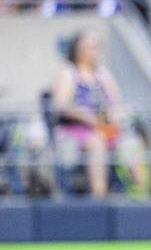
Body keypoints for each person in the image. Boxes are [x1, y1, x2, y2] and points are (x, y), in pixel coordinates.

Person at [50, 30, 125, 198]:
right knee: (96, 142)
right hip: (75, 130)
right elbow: (61, 106)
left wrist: (115, 115)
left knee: (130, 143)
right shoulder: (68, 72)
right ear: (77, 50)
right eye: (90, 48)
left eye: (96, 48)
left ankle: (138, 195)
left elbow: (116, 102)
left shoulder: (103, 73)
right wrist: (88, 117)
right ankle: (99, 196)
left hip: (105, 128)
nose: (94, 52)